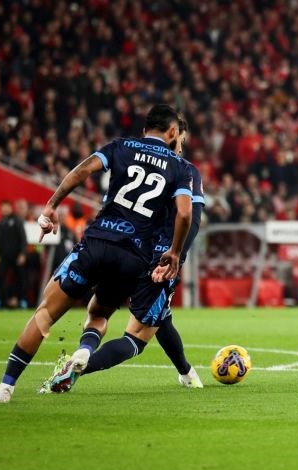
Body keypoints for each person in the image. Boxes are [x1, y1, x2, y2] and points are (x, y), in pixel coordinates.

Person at [0, 104, 192, 404]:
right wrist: (174, 252)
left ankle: (5, 388)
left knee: (45, 313)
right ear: (173, 132)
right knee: (98, 312)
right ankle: (85, 350)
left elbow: (83, 171)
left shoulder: (121, 146)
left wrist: (52, 205)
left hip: (98, 242)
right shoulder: (179, 166)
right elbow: (184, 214)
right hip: (134, 257)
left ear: (145, 128)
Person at [44, 117, 206, 392]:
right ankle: (76, 370)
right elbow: (192, 217)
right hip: (162, 258)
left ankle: (186, 372)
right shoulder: (186, 171)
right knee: (138, 338)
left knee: (159, 318)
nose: (181, 145)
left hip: (129, 248)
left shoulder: (135, 156)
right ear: (174, 135)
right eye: (181, 138)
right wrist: (177, 256)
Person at [0, 200, 27, 309]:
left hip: (16, 256)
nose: (4, 209)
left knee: (20, 278)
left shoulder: (17, 220)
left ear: (11, 208)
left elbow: (23, 238)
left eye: (6, 207)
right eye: (2, 207)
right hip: (5, 256)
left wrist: (22, 254)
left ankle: (22, 300)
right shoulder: (1, 222)